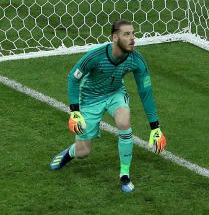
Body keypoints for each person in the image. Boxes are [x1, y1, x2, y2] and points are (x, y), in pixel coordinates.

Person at [50, 19, 166, 193]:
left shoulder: (136, 60)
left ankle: (124, 175)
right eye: (127, 34)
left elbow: (145, 93)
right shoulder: (95, 56)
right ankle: (69, 153)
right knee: (83, 152)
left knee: (124, 122)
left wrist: (155, 128)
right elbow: (73, 78)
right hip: (90, 99)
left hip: (115, 94)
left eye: (133, 34)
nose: (132, 38)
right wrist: (74, 112)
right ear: (114, 37)